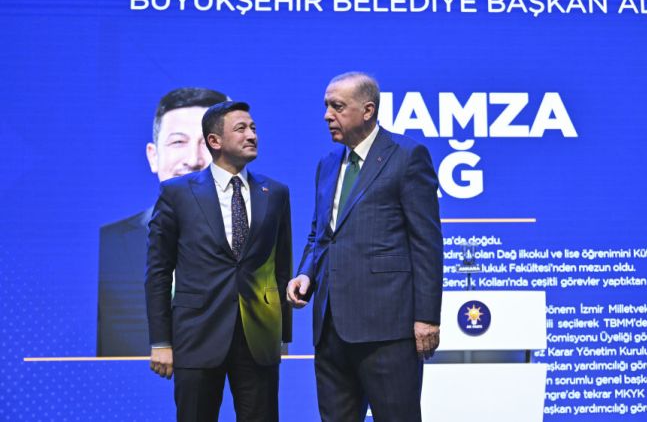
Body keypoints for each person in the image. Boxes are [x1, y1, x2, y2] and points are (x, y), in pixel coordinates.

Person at [286, 72, 443, 422]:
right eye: (326, 106)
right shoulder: (327, 165)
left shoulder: (407, 156)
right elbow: (321, 234)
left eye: (337, 106)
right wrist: (305, 274)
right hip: (330, 328)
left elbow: (426, 241)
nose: (327, 115)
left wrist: (427, 317)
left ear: (368, 110)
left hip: (388, 329)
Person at [146, 101, 292, 421]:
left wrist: (283, 336)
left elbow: (281, 268)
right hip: (197, 335)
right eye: (241, 129)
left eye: (253, 128)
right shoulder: (177, 193)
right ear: (215, 141)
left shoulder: (275, 192)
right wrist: (160, 341)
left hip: (259, 339)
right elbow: (158, 272)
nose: (252, 135)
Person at [98, 87, 228, 356]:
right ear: (153, 156)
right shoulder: (109, 243)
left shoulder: (259, 234)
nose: (193, 160)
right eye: (178, 142)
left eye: (209, 142)